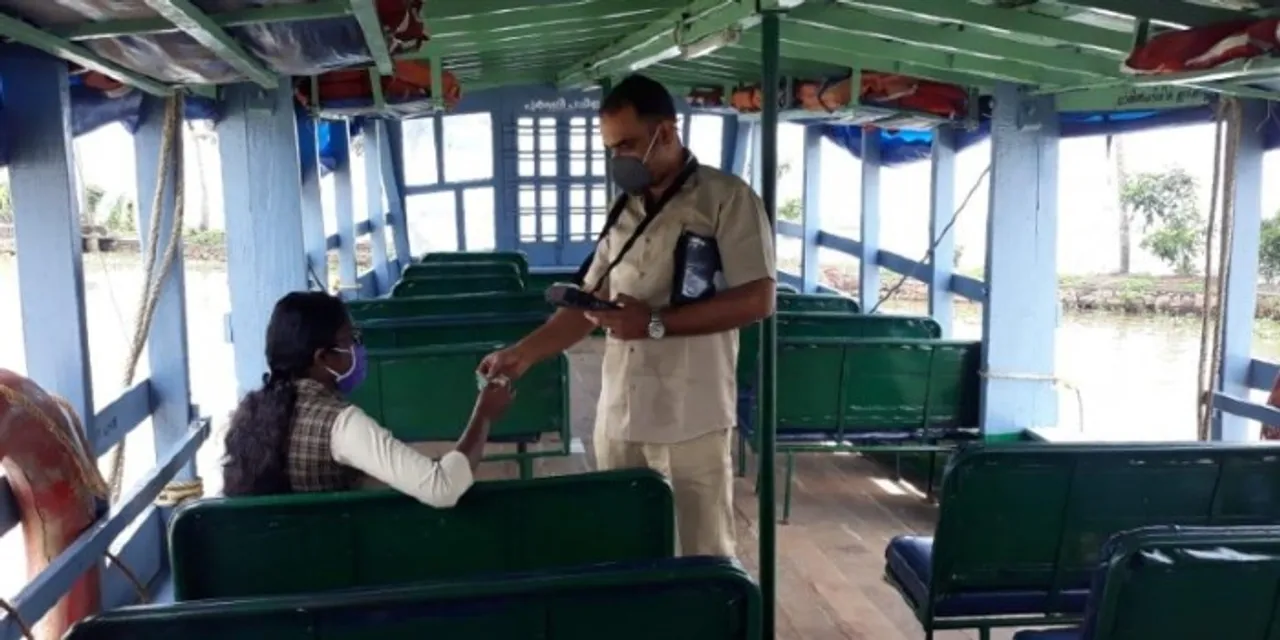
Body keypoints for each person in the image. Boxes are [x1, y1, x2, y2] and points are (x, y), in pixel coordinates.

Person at [478, 74, 776, 557]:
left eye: (631, 144)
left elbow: (758, 300)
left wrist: (656, 322)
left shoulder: (727, 198)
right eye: (613, 148)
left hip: (692, 413)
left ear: (669, 131)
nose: (622, 158)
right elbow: (588, 303)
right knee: (622, 539)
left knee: (703, 549)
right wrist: (521, 355)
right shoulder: (624, 208)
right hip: (621, 410)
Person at [222, 291, 512, 507]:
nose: (358, 349)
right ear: (322, 358)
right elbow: (443, 487)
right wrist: (483, 415)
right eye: (350, 340)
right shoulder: (340, 424)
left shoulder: (252, 412)